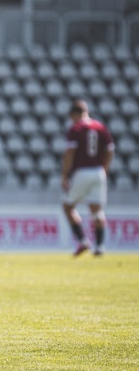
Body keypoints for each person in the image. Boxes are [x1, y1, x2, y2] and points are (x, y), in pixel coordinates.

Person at [61, 99, 114, 257]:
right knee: (97, 210)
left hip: (82, 171)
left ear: (75, 114)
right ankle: (100, 246)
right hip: (99, 171)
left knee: (68, 206)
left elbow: (70, 154)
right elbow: (110, 150)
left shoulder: (75, 129)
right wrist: (104, 167)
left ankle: (83, 240)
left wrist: (65, 175)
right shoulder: (101, 127)